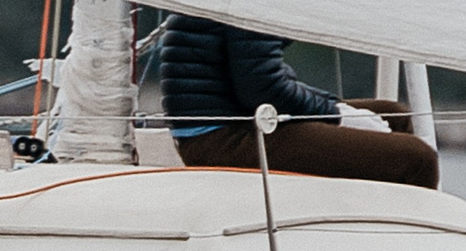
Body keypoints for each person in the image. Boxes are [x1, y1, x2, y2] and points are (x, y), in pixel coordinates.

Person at [156, 14, 439, 188]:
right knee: (417, 159)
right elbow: (262, 90)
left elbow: (263, 81)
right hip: (222, 139)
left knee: (393, 115)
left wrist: (335, 109)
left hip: (228, 125)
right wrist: (336, 114)